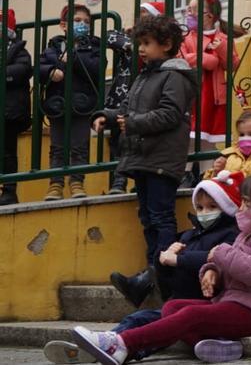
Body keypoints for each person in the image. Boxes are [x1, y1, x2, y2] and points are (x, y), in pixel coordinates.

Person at [70, 170, 251, 365]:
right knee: (173, 307)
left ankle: (122, 344)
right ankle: (218, 347)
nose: (241, 207)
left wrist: (218, 253)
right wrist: (212, 271)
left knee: (189, 317)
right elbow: (234, 264)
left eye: (247, 202)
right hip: (237, 300)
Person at [46, 173, 242, 364]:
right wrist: (162, 262)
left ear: (226, 208)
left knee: (158, 324)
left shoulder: (232, 235)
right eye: (200, 208)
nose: (204, 213)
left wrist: (178, 260)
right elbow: (169, 282)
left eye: (212, 207)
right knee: (138, 318)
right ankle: (106, 344)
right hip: (179, 301)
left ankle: (115, 348)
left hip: (204, 304)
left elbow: (219, 259)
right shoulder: (188, 237)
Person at [93, 15, 197, 299]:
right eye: (139, 42)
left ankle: (162, 273)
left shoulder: (175, 76)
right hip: (143, 157)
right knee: (148, 218)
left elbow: (170, 114)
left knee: (161, 217)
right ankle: (150, 275)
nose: (140, 48)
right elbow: (127, 107)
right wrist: (108, 117)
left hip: (162, 159)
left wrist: (133, 123)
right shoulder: (146, 74)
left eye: (147, 43)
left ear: (166, 44)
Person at [41, 4, 104, 200]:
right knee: (57, 147)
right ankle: (55, 184)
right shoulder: (53, 46)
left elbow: (97, 68)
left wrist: (74, 57)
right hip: (58, 104)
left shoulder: (93, 46)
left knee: (79, 146)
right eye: (77, 21)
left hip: (83, 104)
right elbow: (41, 66)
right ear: (63, 25)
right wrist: (52, 71)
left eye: (86, 21)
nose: (82, 25)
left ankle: (77, 183)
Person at [100, 2, 163, 196]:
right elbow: (107, 35)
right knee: (117, 139)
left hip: (144, 98)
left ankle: (137, 179)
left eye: (146, 13)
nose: (141, 16)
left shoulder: (158, 43)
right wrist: (131, 40)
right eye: (140, 13)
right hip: (121, 95)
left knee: (139, 139)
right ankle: (118, 181)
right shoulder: (129, 37)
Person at [180, 0, 240, 147]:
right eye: (188, 9)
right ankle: (186, 171)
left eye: (193, 10)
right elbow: (180, 58)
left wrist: (220, 47)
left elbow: (232, 65)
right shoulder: (185, 37)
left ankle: (205, 171)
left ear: (209, 15)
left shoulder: (224, 39)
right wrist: (207, 59)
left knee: (208, 142)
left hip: (214, 97)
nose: (189, 14)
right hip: (192, 93)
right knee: (188, 140)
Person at [0, 10, 33, 206]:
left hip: (9, 112)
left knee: (7, 152)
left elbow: (22, 70)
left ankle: (9, 190)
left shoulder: (18, 50)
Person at [206, 105, 251, 179]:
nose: (246, 138)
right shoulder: (229, 156)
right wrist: (216, 172)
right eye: (242, 134)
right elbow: (209, 184)